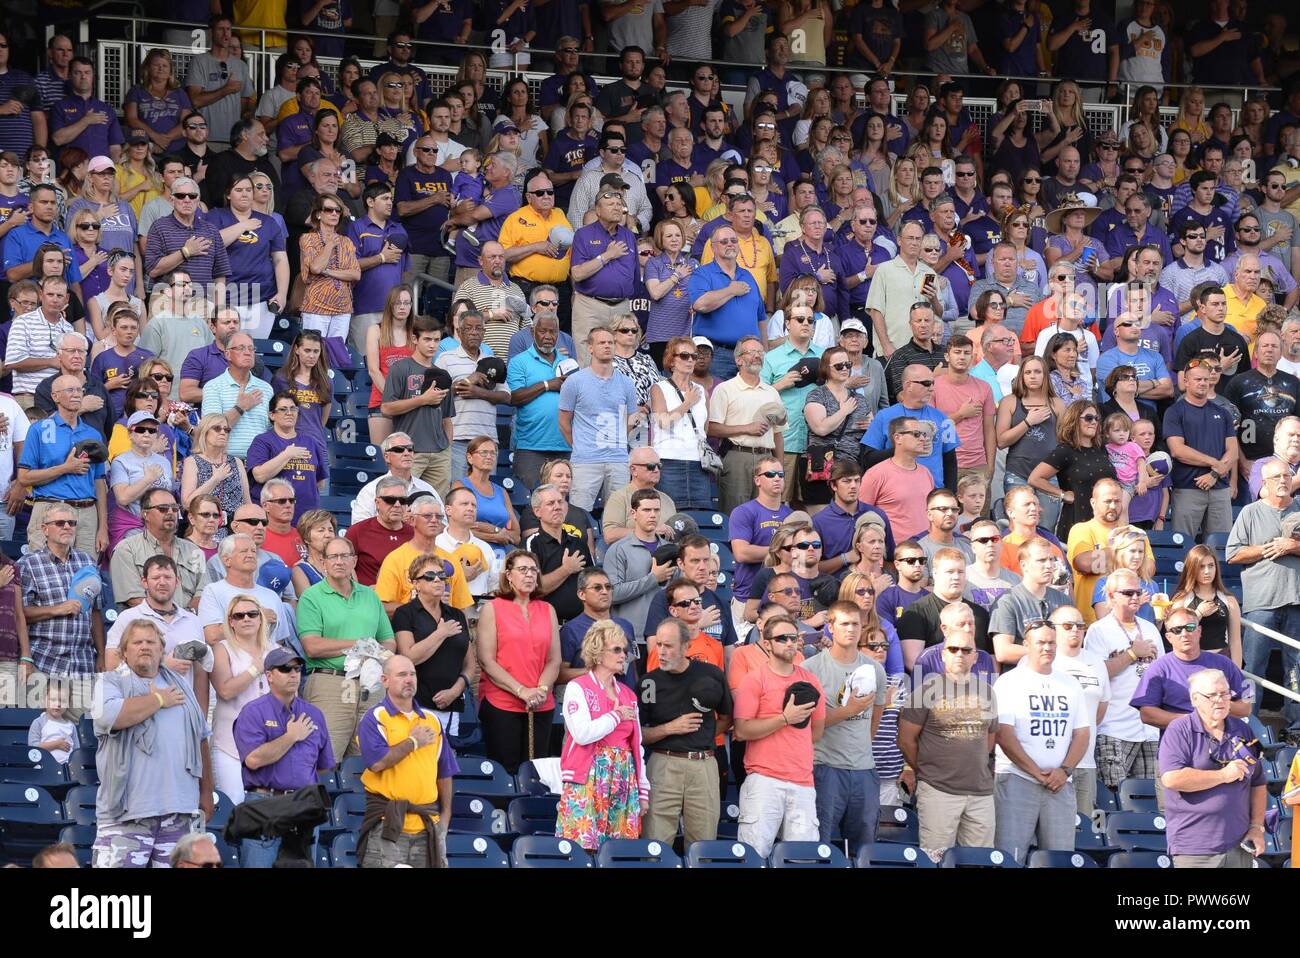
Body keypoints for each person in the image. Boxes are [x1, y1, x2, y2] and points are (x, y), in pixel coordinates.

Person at [89, 619, 213, 868]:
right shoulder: (109, 682)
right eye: (137, 642)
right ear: (124, 651)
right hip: (126, 815)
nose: (144, 647)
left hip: (179, 812)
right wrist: (158, 699)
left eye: (150, 641)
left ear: (161, 649)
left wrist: (206, 791)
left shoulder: (182, 687)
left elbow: (200, 737)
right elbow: (110, 715)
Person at [898, 603, 999, 859]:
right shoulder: (924, 692)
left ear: (976, 656)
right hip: (938, 790)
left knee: (979, 862)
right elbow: (906, 739)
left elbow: (990, 735)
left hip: (981, 793)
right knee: (935, 860)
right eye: (953, 649)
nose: (959, 654)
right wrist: (924, 769)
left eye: (967, 650)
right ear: (942, 654)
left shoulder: (988, 692)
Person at [992, 617, 1091, 865]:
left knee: (1059, 859)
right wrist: (1036, 772)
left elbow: (1082, 734)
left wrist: (1064, 770)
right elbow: (1004, 734)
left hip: (1060, 783)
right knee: (1010, 858)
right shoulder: (1009, 682)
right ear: (1027, 644)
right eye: (1040, 643)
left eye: (1051, 642)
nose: (1047, 648)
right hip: (1017, 779)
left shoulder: (1070, 684)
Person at [230, 645, 333, 868]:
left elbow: (324, 766)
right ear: (269, 676)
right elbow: (253, 760)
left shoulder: (314, 714)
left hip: (303, 805)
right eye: (285, 669)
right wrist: (291, 736)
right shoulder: (253, 711)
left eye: (297, 668)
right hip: (266, 803)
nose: (294, 674)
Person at [732, 614, 826, 858]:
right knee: (753, 857)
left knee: (803, 859)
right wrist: (784, 719)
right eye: (782, 638)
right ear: (767, 644)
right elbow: (741, 730)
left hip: (803, 781)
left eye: (793, 638)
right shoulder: (754, 680)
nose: (789, 643)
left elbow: (815, 732)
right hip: (764, 779)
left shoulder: (811, 681)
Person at [298, 536, 396, 761]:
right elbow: (312, 646)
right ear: (323, 563)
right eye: (333, 557)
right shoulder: (311, 598)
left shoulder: (370, 596)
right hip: (330, 683)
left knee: (370, 758)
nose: (339, 561)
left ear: (354, 561)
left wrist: (374, 655)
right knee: (326, 758)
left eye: (345, 556)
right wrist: (361, 645)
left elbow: (389, 641)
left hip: (370, 684)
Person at [355, 654, 458, 869]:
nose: (409, 679)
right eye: (402, 675)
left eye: (412, 674)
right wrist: (413, 742)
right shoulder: (374, 718)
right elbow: (377, 763)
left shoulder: (432, 720)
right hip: (387, 825)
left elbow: (444, 772)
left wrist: (446, 816)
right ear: (385, 680)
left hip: (427, 824)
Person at [1158, 668, 1268, 868]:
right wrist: (1223, 775)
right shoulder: (1179, 730)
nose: (1220, 700)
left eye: (1225, 693)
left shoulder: (1242, 729)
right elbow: (1172, 779)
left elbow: (1258, 782)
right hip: (1196, 849)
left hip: (1239, 845)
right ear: (1195, 699)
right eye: (1212, 695)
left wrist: (1257, 827)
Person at [554, 620, 648, 851]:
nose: (623, 655)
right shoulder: (578, 687)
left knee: (618, 852)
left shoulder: (628, 694)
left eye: (624, 650)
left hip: (623, 778)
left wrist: (643, 789)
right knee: (581, 848)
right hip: (587, 777)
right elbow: (582, 734)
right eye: (616, 649)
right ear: (597, 653)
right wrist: (615, 717)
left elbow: (637, 746)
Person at [802, 601, 886, 855]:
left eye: (856, 624)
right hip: (825, 767)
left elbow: (875, 720)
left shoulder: (875, 669)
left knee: (864, 850)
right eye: (844, 623)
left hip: (864, 769)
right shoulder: (811, 669)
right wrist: (848, 711)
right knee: (820, 846)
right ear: (830, 627)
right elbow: (806, 726)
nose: (851, 629)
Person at [639, 617, 731, 847]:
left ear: (686, 646)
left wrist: (703, 737)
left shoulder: (711, 674)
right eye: (658, 644)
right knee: (655, 844)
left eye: (668, 646)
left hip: (703, 765)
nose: (661, 651)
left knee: (703, 844)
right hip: (663, 765)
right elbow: (637, 734)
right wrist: (671, 728)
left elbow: (728, 718)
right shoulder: (649, 682)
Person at [1226, 458, 1300, 739]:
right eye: (1275, 477)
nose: (1282, 481)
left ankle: (1295, 729)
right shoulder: (1250, 512)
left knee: (1297, 669)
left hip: (1297, 601)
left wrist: (1293, 546)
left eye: (1286, 475)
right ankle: (1247, 726)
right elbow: (1232, 554)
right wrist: (1269, 547)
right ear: (1264, 484)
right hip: (1261, 602)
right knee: (1253, 669)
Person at [476, 550, 562, 774]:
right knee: (507, 770)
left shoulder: (548, 609)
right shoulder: (492, 609)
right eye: (522, 570)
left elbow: (554, 659)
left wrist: (542, 689)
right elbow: (486, 660)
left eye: (534, 570)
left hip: (541, 703)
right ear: (508, 575)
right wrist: (521, 690)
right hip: (502, 703)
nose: (529, 575)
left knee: (537, 772)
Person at [391, 552, 474, 732]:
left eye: (441, 576)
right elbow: (408, 657)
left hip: (451, 706)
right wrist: (441, 633)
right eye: (429, 576)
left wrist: (455, 691)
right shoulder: (405, 613)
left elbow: (470, 664)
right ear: (416, 583)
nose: (437, 580)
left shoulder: (457, 614)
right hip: (416, 704)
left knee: (448, 758)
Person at [208, 593, 274, 804]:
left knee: (268, 808)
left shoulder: (277, 650)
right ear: (231, 622)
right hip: (230, 744)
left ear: (260, 618)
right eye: (239, 616)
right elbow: (225, 690)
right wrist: (256, 668)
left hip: (269, 743)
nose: (246, 619)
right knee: (235, 804)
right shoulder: (222, 648)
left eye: (252, 614)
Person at [380, 316, 456, 497]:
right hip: (410, 451)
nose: (432, 345)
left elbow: (447, 418)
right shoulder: (400, 368)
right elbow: (386, 408)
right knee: (402, 501)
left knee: (436, 506)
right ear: (415, 339)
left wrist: (447, 446)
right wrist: (423, 399)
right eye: (427, 339)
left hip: (439, 453)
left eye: (436, 340)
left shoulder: (443, 374)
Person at [1165, 359, 1237, 538]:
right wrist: (1214, 463)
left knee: (1220, 546)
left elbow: (1233, 451)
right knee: (1183, 544)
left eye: (1206, 379)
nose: (1203, 383)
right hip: (1188, 488)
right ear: (1186, 382)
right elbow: (1177, 451)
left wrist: (1214, 475)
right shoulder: (1174, 412)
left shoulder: (1223, 413)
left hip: (1219, 488)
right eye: (1198, 379)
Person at [372, 494, 472, 613]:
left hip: (447, 627)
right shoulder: (395, 559)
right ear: (412, 520)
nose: (434, 520)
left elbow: (461, 608)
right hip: (408, 629)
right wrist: (422, 604)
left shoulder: (451, 560)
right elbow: (382, 608)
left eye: (439, 517)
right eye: (427, 516)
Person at [246, 393, 328, 523]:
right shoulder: (262, 441)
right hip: (274, 520)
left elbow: (320, 483)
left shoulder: (311, 442)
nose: (289, 413)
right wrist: (287, 455)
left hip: (308, 518)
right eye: (283, 409)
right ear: (272, 415)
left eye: (293, 408)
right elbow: (259, 475)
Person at [989, 536, 1071, 666]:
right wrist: (1047, 651)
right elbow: (1003, 651)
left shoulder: (1064, 601)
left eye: (1051, 559)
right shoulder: (1007, 602)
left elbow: (1072, 644)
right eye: (1041, 560)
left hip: (1059, 677)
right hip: (1022, 678)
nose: (1049, 565)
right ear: (1024, 565)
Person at [859, 416, 936, 542]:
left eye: (923, 434)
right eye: (916, 434)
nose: (923, 438)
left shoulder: (926, 472)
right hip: (894, 553)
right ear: (898, 438)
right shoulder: (876, 474)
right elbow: (862, 516)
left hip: (927, 549)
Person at [199, 332, 271, 462]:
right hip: (224, 463)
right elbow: (210, 429)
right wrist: (240, 407)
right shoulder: (213, 386)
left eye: (251, 348)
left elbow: (271, 430)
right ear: (227, 354)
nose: (248, 352)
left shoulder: (266, 388)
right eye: (241, 348)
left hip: (260, 464)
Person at [1169, 545, 1243, 664]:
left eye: (1211, 566)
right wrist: (1198, 614)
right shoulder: (1181, 600)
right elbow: (1175, 634)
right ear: (1192, 568)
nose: (1207, 571)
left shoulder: (1229, 600)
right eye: (1201, 567)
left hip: (1221, 659)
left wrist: (1236, 673)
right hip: (1192, 661)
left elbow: (1235, 642)